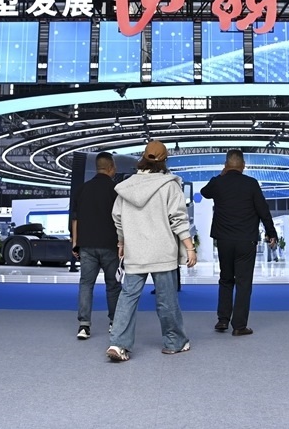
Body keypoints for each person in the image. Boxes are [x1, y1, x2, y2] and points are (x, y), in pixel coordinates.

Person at [106, 141, 197, 362]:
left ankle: (118, 343)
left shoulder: (127, 187)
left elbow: (118, 218)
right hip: (162, 251)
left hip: (135, 251)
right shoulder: (169, 185)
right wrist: (189, 247)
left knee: (128, 297)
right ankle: (174, 343)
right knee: (167, 300)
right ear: (165, 160)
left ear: (143, 158)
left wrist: (121, 243)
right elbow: (178, 220)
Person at [201, 149, 277, 336]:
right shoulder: (251, 183)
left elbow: (204, 192)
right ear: (243, 165)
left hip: (224, 240)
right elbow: (263, 210)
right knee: (243, 282)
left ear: (225, 165)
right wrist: (271, 233)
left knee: (226, 279)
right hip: (246, 240)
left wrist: (220, 176)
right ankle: (239, 326)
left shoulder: (218, 183)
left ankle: (222, 320)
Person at [70, 152, 120, 340]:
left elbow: (75, 218)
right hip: (110, 245)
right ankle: (114, 322)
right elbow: (121, 219)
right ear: (111, 167)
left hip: (87, 245)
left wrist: (75, 243)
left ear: (97, 167)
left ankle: (84, 326)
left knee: (86, 284)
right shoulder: (116, 190)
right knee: (113, 285)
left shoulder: (82, 189)